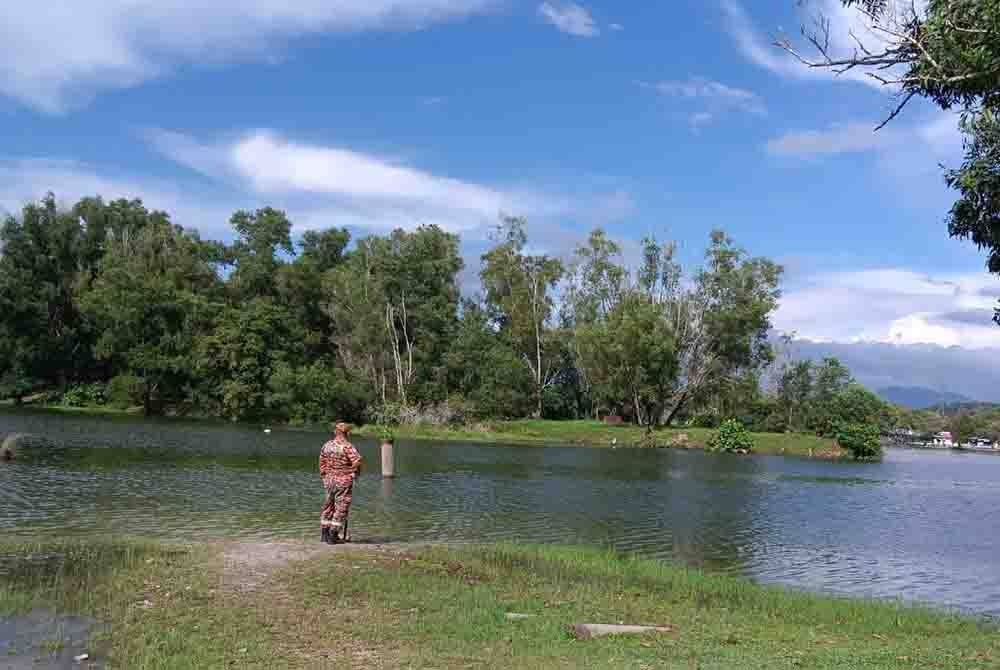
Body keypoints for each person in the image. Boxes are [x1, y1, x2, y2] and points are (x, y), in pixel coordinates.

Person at [319, 422, 363, 544]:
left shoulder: (327, 445)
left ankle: (324, 535)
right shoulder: (347, 446)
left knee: (328, 505)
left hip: (328, 480)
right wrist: (353, 472)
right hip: (343, 480)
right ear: (347, 433)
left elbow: (321, 462)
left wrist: (324, 475)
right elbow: (358, 460)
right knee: (341, 507)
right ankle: (333, 536)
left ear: (335, 432)